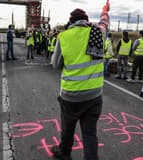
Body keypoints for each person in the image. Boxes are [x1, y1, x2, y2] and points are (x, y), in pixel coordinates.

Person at [50, 1, 110, 159]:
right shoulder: (97, 32)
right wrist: (105, 11)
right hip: (94, 94)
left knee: (68, 129)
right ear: (86, 20)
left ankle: (65, 153)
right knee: (90, 133)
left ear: (71, 22)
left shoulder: (63, 37)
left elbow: (55, 64)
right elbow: (104, 22)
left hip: (71, 95)